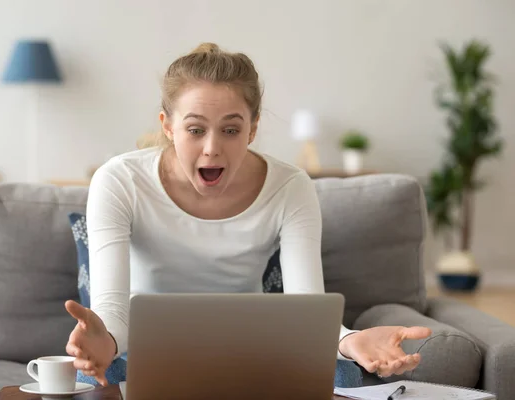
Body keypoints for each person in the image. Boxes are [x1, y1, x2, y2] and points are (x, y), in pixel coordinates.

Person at [64, 42, 432, 388]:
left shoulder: (291, 188)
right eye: (195, 129)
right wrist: (105, 343)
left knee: (343, 376)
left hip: (251, 356)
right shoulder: (119, 181)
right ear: (167, 126)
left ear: (252, 129)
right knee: (95, 376)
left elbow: (307, 315)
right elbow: (112, 308)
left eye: (230, 130)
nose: (212, 148)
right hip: (143, 356)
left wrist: (350, 342)